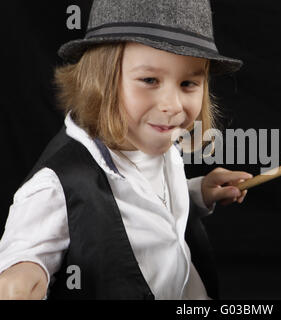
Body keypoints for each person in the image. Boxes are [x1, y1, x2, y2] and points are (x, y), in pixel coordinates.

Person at [0, 0, 252, 300]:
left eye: (188, 83)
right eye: (149, 80)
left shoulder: (157, 142)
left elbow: (142, 206)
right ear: (101, 79)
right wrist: (24, 272)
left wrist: (198, 192)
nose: (172, 105)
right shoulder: (55, 187)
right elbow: (22, 261)